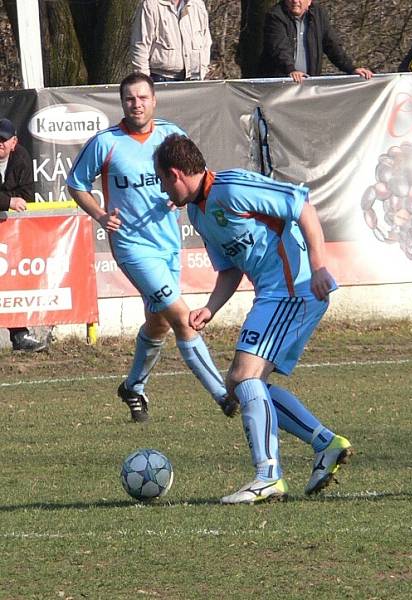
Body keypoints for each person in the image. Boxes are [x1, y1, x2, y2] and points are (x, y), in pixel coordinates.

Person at [153, 133, 353, 504]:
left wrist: (320, 265)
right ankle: (325, 443)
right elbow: (229, 269)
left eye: (163, 180)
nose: (165, 190)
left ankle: (268, 476)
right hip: (274, 294)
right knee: (243, 384)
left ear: (176, 173)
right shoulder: (198, 212)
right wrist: (211, 307)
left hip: (295, 288)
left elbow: (302, 206)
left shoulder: (231, 187)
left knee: (244, 377)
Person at [66, 73, 234, 423]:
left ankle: (133, 387)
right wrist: (99, 214)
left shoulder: (171, 135)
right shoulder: (105, 142)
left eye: (143, 98)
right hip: (132, 247)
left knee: (158, 323)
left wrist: (182, 197)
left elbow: (195, 176)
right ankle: (224, 395)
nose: (136, 104)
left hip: (168, 243)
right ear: (122, 103)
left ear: (154, 101)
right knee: (183, 320)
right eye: (130, 99)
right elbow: (76, 183)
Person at [0, 118, 48, 353]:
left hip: (8, 231)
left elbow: (27, 195)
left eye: (3, 139)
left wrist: (8, 203)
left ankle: (19, 336)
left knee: (11, 281)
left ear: (14, 142)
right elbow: (15, 199)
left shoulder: (21, 158)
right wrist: (8, 201)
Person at [257, 0, 373, 83]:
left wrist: (351, 68)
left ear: (309, 1)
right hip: (279, 84)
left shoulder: (318, 15)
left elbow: (332, 45)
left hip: (308, 83)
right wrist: (291, 70)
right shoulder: (275, 16)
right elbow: (279, 47)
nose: (295, 1)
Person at [130, 0, 212, 81]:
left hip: (194, 78)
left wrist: (203, 71)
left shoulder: (197, 5)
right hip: (160, 78)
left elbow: (206, 42)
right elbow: (140, 46)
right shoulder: (151, 5)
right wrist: (143, 81)